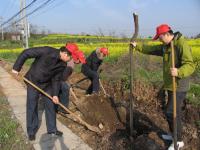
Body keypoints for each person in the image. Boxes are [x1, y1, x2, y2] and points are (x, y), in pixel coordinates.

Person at [132, 24, 195, 150]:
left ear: (167, 34)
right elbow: (151, 49)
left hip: (179, 85)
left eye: (160, 37)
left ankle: (179, 141)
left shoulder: (181, 44)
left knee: (171, 112)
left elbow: (190, 65)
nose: (159, 40)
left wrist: (179, 72)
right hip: (170, 85)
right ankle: (174, 135)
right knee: (171, 112)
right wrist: (137, 46)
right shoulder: (166, 46)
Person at [12, 45, 74, 141]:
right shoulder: (47, 50)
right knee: (32, 105)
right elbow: (26, 53)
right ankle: (31, 131)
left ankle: (52, 129)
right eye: (70, 58)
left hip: (47, 85)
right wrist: (16, 68)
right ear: (65, 54)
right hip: (33, 81)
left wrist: (55, 94)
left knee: (50, 104)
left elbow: (56, 80)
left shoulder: (63, 65)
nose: (70, 60)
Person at [57, 47, 86, 114]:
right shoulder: (71, 65)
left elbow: (64, 75)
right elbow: (63, 77)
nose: (80, 62)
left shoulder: (70, 60)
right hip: (57, 78)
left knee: (64, 87)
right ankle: (63, 108)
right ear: (76, 58)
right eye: (80, 61)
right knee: (65, 88)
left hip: (58, 75)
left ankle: (58, 106)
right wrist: (67, 84)